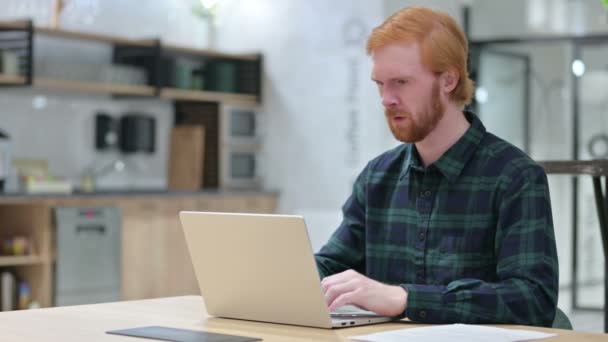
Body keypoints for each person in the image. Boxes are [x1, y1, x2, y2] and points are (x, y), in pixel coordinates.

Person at [315, 6, 558, 327]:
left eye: (401, 82)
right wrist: (289, 280)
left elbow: (532, 299)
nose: (387, 99)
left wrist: (405, 299)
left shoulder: (515, 176)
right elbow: (333, 264)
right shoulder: (377, 176)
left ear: (448, 79)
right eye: (380, 83)